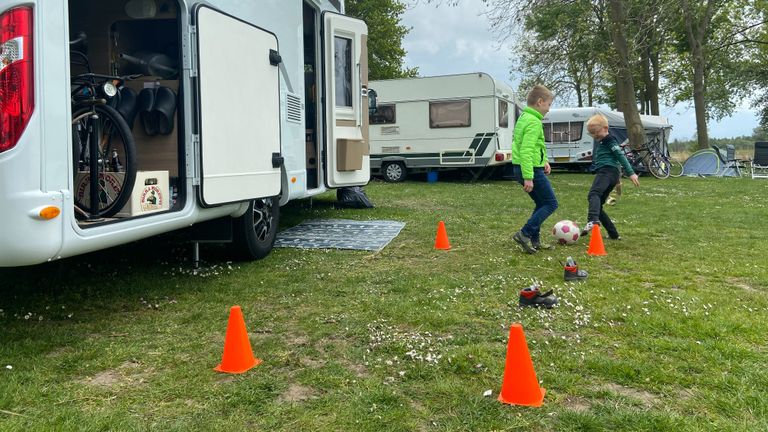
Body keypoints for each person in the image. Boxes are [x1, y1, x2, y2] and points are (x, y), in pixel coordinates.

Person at [511, 85, 557, 254]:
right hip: (529, 170)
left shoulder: (524, 118)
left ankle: (535, 240)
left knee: (541, 203)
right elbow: (526, 150)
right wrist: (528, 176)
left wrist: (544, 161)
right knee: (551, 203)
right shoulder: (533, 121)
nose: (549, 109)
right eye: (549, 104)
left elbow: (534, 146)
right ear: (540, 102)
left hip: (525, 167)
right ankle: (524, 233)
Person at [581, 114, 639, 240]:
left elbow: (620, 156)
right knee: (598, 206)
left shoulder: (609, 140)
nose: (594, 135)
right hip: (610, 173)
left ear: (605, 128)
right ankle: (613, 234)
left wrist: (631, 173)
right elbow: (614, 160)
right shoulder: (603, 141)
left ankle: (592, 221)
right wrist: (617, 180)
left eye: (596, 132)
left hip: (607, 172)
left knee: (593, 194)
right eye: (591, 133)